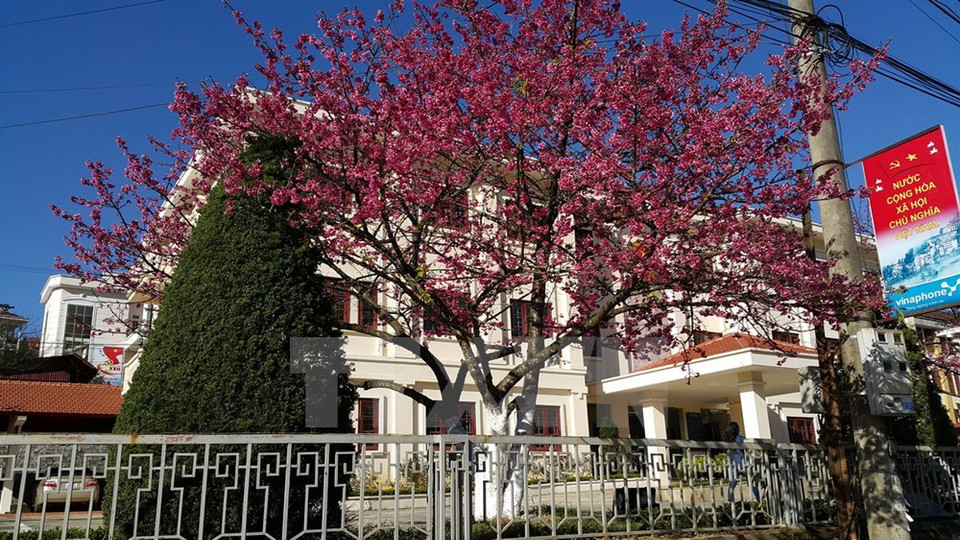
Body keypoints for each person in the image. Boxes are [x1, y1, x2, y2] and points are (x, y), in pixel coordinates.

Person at [721, 422, 759, 502]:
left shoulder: (726, 440)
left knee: (732, 484)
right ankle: (759, 499)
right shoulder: (740, 439)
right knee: (752, 482)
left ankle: (730, 500)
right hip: (742, 463)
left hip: (733, 464)